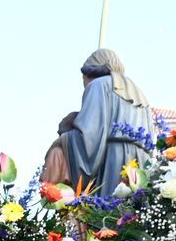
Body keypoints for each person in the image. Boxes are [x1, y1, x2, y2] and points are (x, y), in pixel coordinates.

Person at [42, 48, 153, 192]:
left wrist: (64, 138)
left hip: (112, 159)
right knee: (131, 210)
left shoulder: (98, 85)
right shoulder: (139, 93)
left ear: (90, 74)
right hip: (140, 164)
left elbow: (90, 137)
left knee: (109, 210)